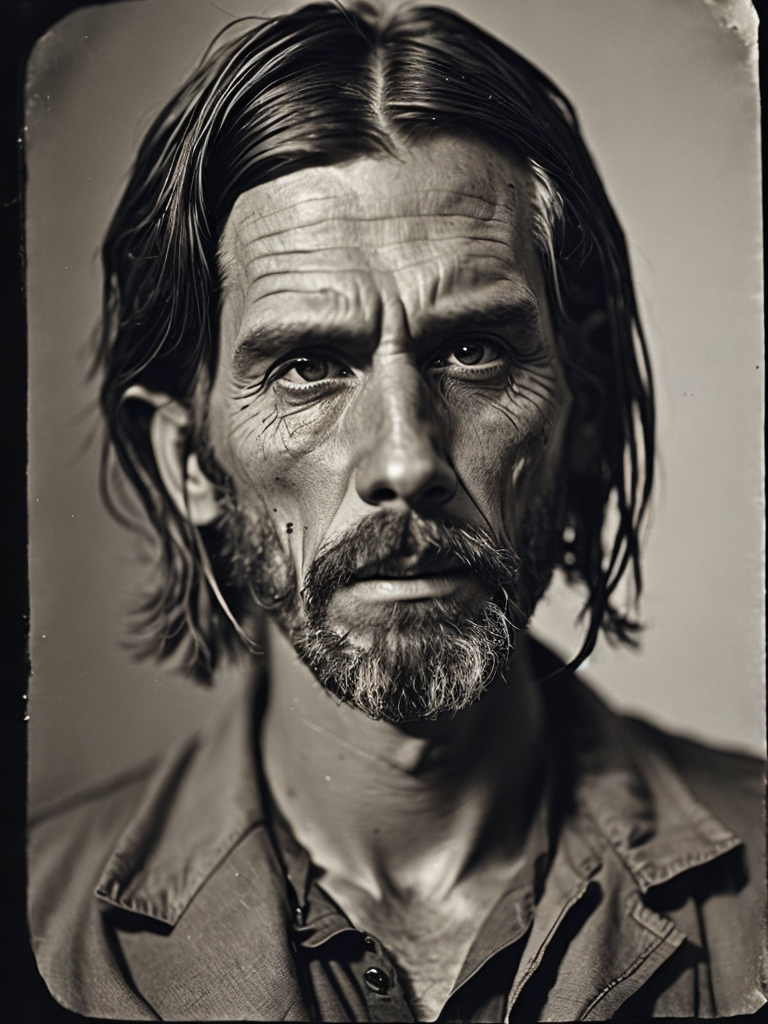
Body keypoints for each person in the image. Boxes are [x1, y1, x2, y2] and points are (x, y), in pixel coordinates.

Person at [28, 2, 765, 1020]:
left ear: (583, 415)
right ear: (189, 458)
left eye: (473, 350)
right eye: (307, 366)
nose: (406, 459)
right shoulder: (42, 933)